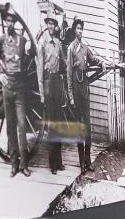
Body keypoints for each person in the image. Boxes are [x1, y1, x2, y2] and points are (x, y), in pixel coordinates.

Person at [0, 13, 31, 178]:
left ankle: (24, 165)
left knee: (22, 126)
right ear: (4, 22)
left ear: (15, 22)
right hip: (7, 87)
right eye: (7, 20)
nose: (9, 23)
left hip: (20, 87)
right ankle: (14, 164)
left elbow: (29, 56)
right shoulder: (1, 40)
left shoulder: (22, 40)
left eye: (11, 21)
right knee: (10, 128)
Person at [66, 18, 106, 174]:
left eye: (82, 28)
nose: (80, 31)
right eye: (78, 28)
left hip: (84, 87)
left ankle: (88, 161)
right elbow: (69, 74)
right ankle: (81, 163)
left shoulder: (85, 47)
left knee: (87, 126)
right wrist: (70, 96)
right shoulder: (71, 48)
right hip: (75, 87)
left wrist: (101, 62)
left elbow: (93, 58)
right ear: (74, 30)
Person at [38, 15, 67, 174]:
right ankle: (53, 165)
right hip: (48, 84)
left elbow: (64, 63)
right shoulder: (42, 44)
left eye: (53, 24)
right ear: (46, 25)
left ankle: (60, 162)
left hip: (57, 84)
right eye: (49, 23)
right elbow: (39, 71)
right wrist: (42, 94)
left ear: (55, 26)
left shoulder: (58, 44)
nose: (51, 26)